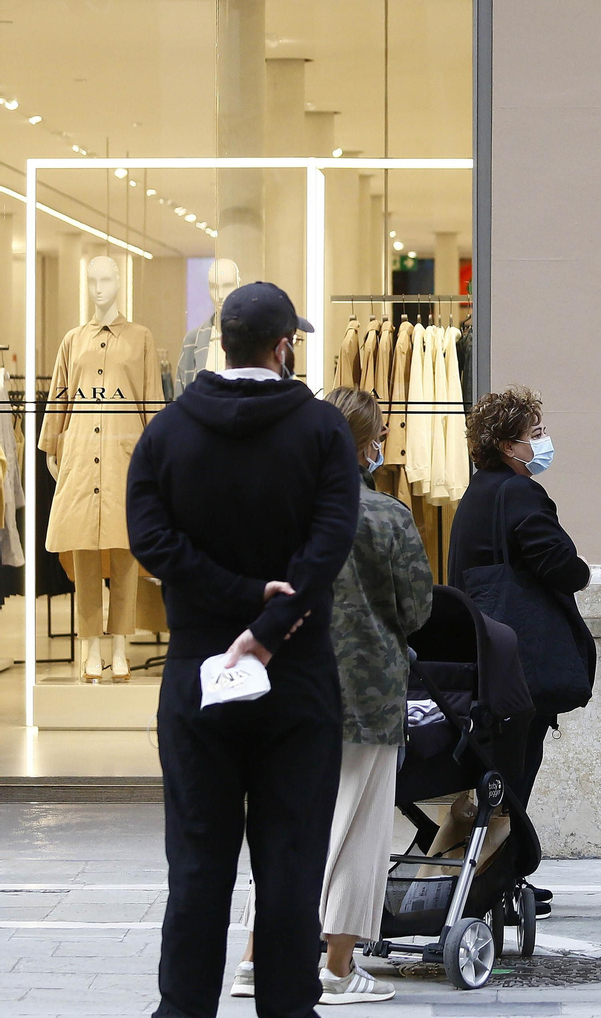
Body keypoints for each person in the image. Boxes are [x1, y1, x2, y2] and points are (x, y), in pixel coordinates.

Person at [127, 281, 360, 1018]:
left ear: (219, 342)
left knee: (197, 864)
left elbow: (152, 542)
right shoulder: (323, 432)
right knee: (291, 867)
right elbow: (328, 548)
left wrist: (232, 599)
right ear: (284, 346)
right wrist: (265, 626)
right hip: (296, 681)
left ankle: (183, 1008)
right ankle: (288, 1008)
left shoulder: (165, 432)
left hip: (199, 676)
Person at [231, 388, 434, 1005]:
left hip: (288, 693)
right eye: (376, 439)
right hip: (367, 696)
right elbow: (418, 609)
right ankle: (338, 969)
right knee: (356, 834)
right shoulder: (386, 516)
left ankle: (254, 961)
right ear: (363, 445)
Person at [450, 386, 596, 915]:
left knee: (498, 773)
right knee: (512, 774)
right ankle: (495, 882)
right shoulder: (519, 494)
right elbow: (555, 559)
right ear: (509, 445)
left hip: (483, 657)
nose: (543, 443)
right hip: (518, 663)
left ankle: (496, 878)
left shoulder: (478, 493)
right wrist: (579, 572)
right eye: (535, 435)